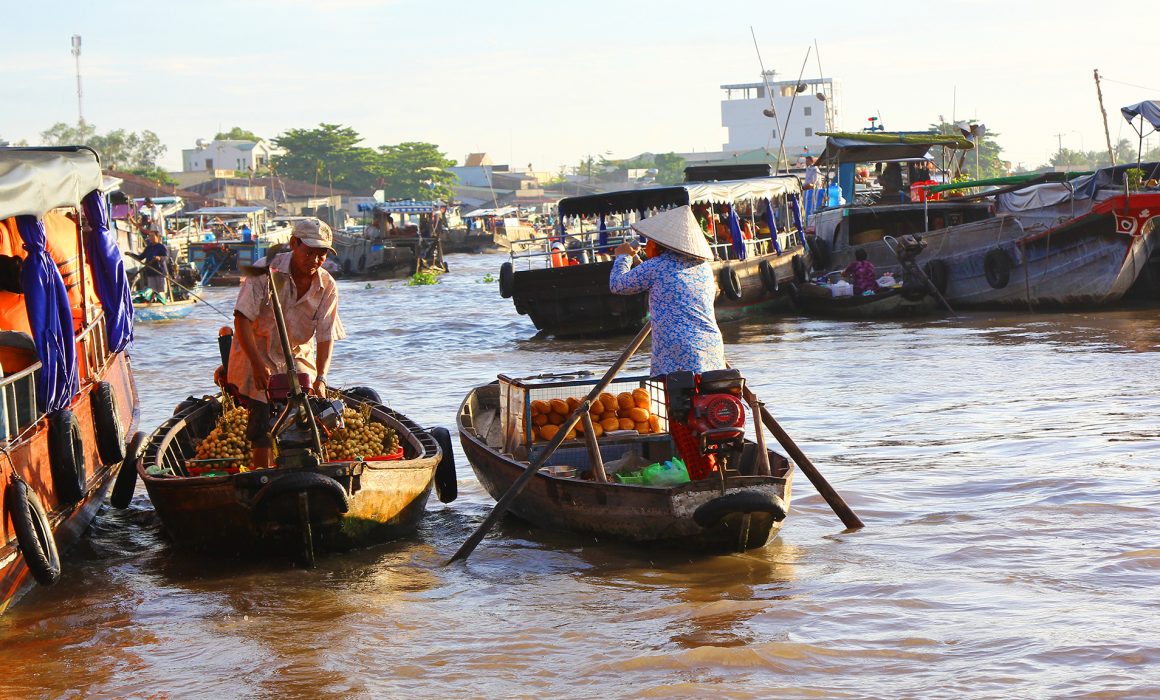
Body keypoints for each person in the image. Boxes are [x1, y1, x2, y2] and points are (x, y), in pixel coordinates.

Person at [609, 205, 726, 480]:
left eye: (651, 243)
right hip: (711, 354)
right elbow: (666, 282)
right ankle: (713, 471)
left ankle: (702, 478)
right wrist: (644, 262)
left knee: (682, 421)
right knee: (707, 417)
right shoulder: (703, 268)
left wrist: (623, 258)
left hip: (679, 357)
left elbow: (619, 285)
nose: (648, 246)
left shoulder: (658, 266)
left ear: (661, 246)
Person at [227, 218, 346, 469]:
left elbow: (326, 336)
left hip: (297, 355)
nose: (315, 260)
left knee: (309, 417)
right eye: (309, 252)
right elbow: (241, 320)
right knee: (262, 423)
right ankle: (263, 476)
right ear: (294, 244)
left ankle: (310, 471)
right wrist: (258, 366)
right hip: (256, 353)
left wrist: (321, 378)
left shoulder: (327, 286)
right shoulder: (266, 271)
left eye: (321, 254)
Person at [141, 230, 170, 299]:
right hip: (151, 272)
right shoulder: (148, 248)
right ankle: (153, 301)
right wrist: (131, 255)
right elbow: (141, 257)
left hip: (160, 272)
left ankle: (163, 300)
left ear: (157, 237)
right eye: (149, 236)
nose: (150, 237)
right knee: (152, 291)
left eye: (152, 236)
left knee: (161, 291)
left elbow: (166, 258)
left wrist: (159, 258)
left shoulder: (161, 247)